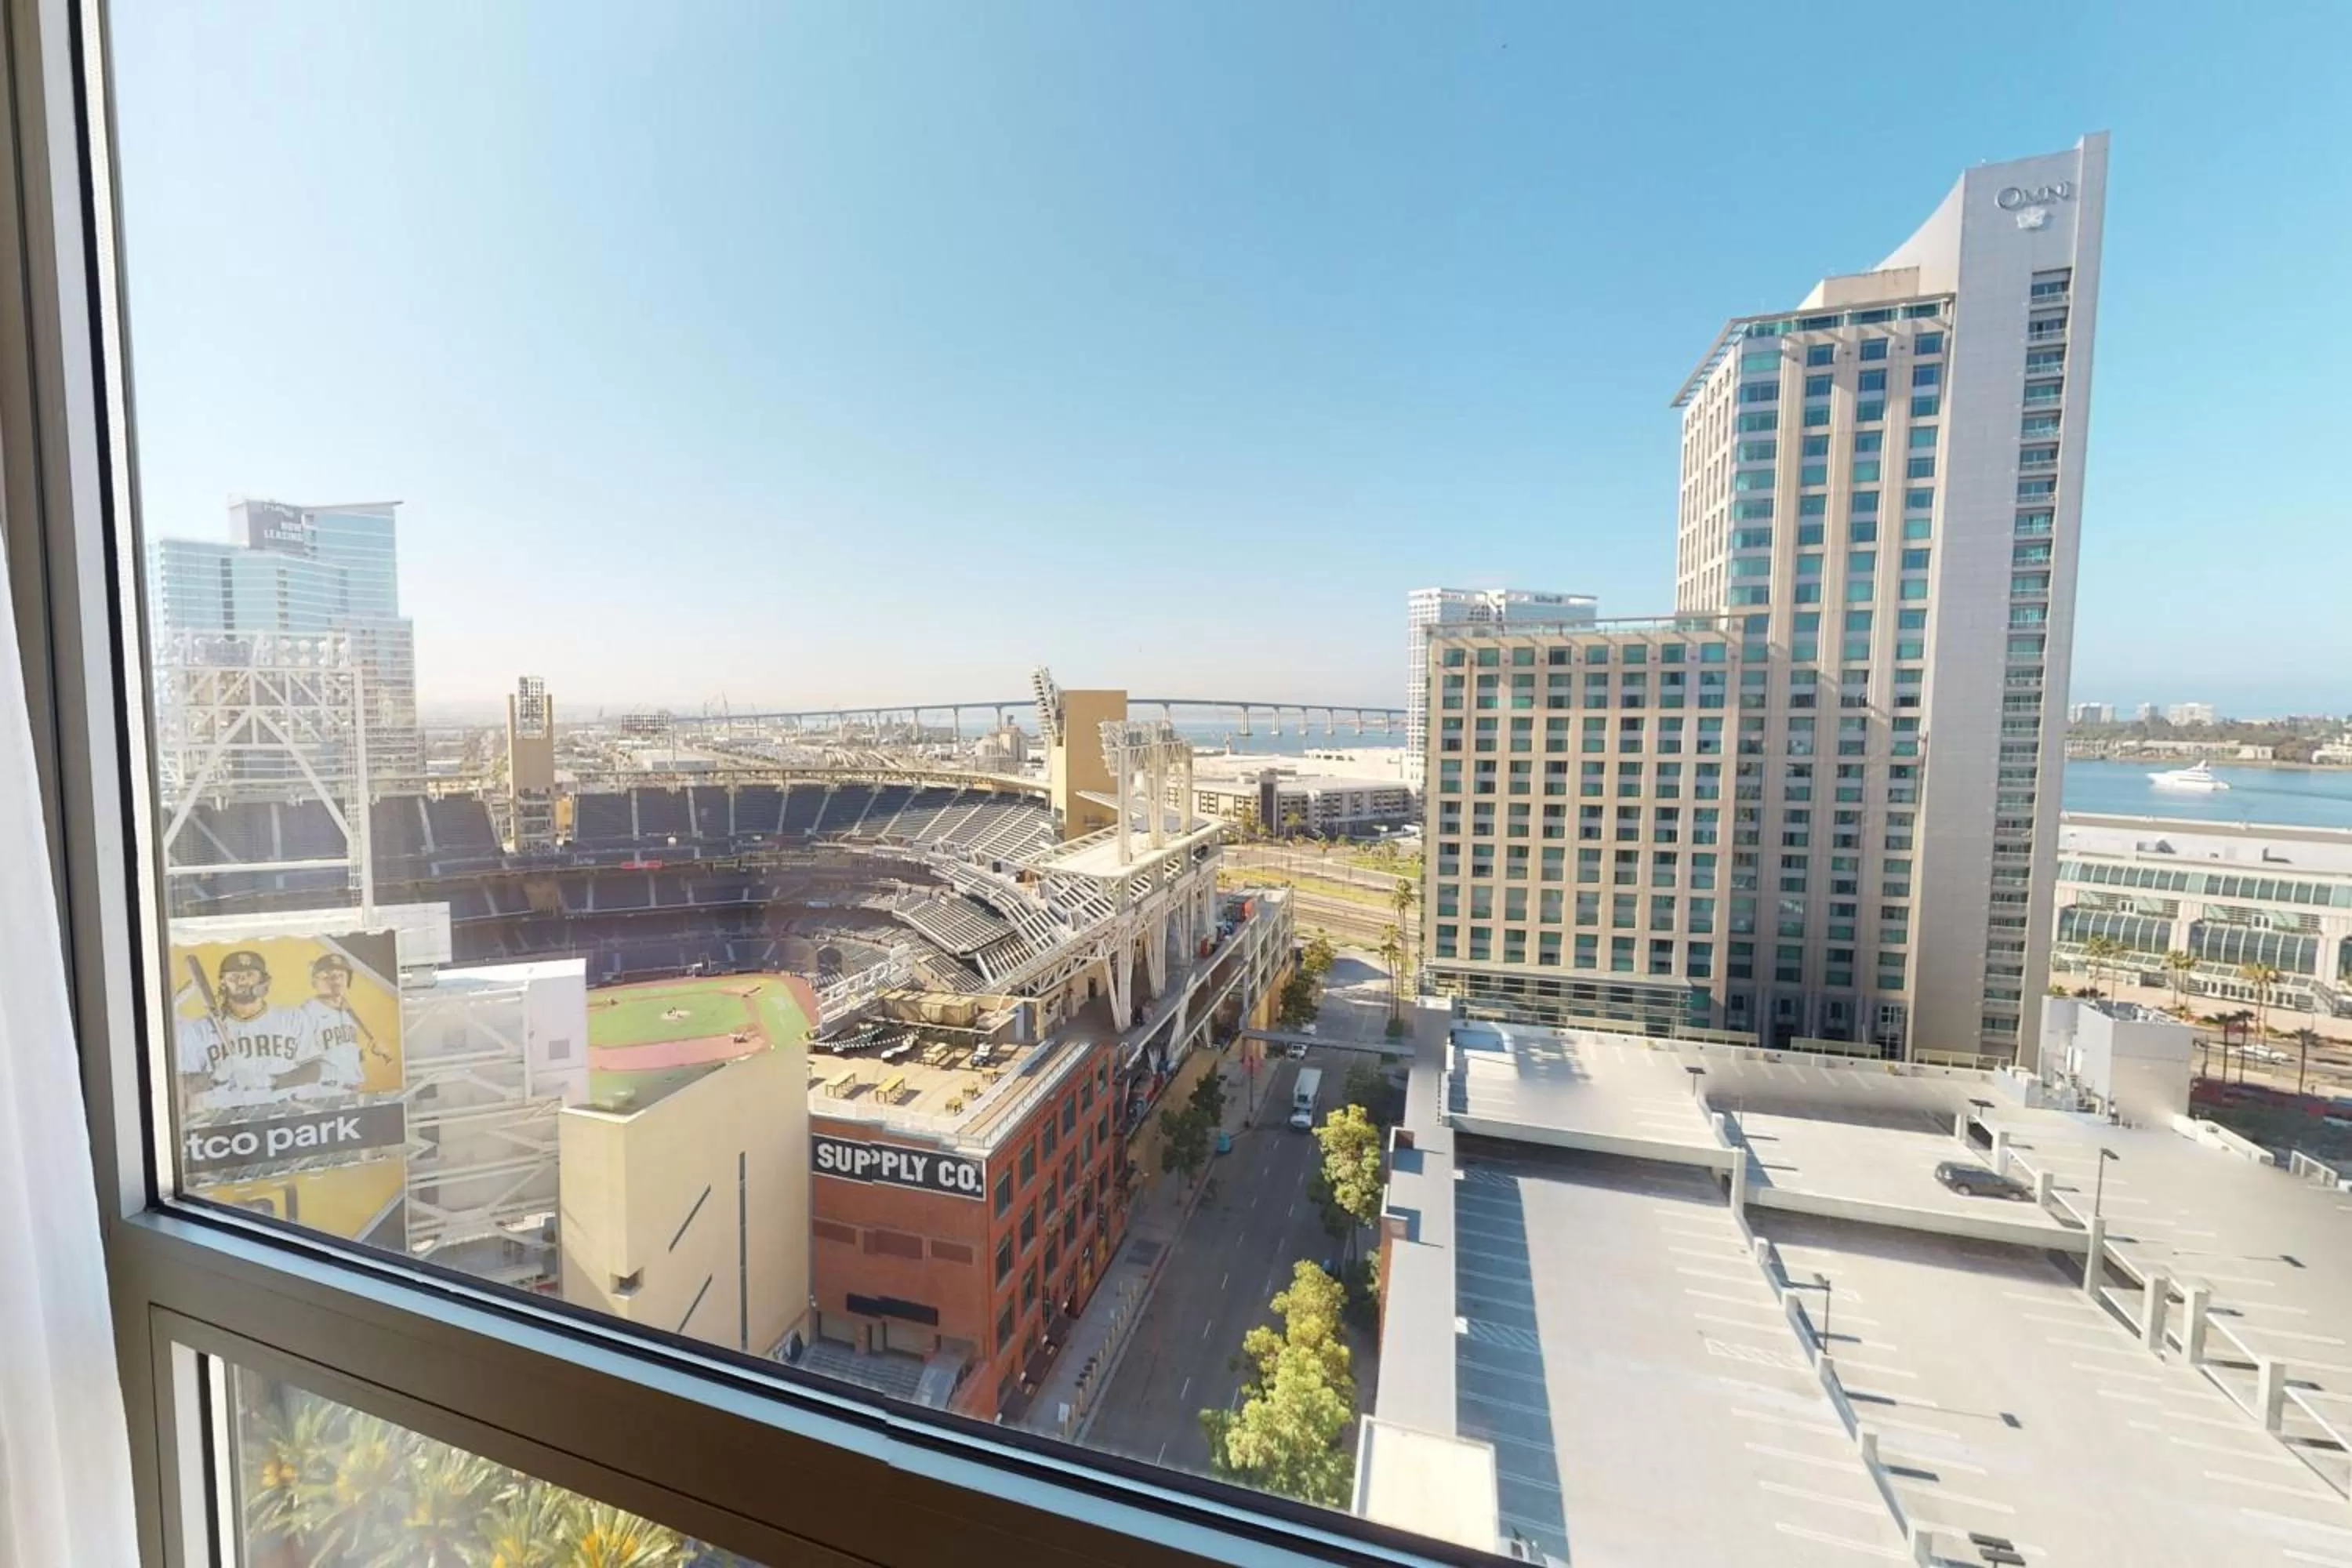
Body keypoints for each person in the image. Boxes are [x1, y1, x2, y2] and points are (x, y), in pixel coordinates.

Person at [175, 949, 327, 1112]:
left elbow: (314, 1070)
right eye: (234, 976)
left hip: (280, 1111)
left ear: (264, 980)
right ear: (223, 982)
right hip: (222, 1116)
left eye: (250, 974)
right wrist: (216, 1077)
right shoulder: (199, 1028)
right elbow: (183, 1084)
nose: (242, 981)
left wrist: (272, 1081)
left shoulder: (291, 1017)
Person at [298, 949, 374, 1090]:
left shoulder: (348, 1012)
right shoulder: (308, 1011)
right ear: (317, 981)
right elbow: (301, 1058)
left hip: (352, 1089)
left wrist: (365, 1053)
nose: (337, 981)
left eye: (341, 976)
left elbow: (343, 1052)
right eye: (330, 976)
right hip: (323, 1089)